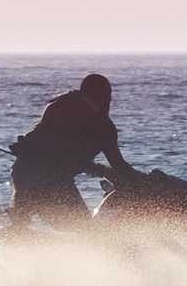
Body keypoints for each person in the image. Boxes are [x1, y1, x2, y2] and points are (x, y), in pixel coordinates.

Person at [8, 73, 138, 229]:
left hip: (23, 173)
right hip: (50, 183)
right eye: (108, 95)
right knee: (85, 231)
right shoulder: (103, 126)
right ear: (104, 97)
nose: (110, 100)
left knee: (20, 225)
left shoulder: (57, 106)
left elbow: (47, 144)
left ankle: (16, 231)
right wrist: (143, 181)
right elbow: (118, 164)